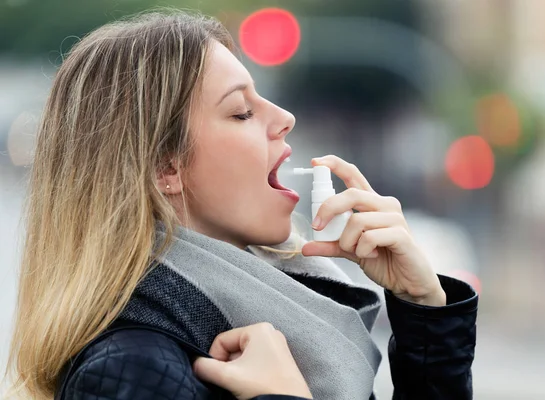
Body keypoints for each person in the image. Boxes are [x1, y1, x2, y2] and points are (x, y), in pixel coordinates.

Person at [7, 10, 478, 400]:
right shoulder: (133, 372)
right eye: (241, 112)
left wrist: (425, 314)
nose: (286, 118)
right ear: (164, 168)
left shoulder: (274, 317)